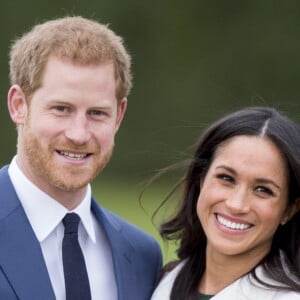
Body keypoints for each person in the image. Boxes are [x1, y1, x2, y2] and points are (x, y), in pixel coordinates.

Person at [1, 16, 162, 300]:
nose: (78, 134)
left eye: (97, 113)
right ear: (18, 105)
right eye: (61, 109)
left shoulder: (141, 257)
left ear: (119, 116)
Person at [151, 107, 300, 299]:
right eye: (226, 178)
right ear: (201, 179)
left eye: (263, 190)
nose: (237, 204)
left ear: (289, 209)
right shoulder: (161, 283)